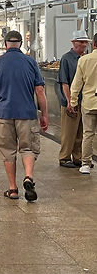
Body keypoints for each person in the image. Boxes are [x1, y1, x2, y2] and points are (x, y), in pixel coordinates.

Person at [0, 30, 48, 202]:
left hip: (3, 113)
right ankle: (28, 177)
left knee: (7, 151)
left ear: (5, 44)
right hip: (27, 113)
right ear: (20, 44)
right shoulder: (30, 62)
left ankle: (13, 188)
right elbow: (40, 91)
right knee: (28, 148)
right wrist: (44, 114)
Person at [57, 31, 89, 168]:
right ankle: (64, 157)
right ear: (73, 42)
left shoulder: (86, 59)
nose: (83, 44)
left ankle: (78, 157)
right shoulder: (66, 59)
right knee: (69, 132)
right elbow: (64, 82)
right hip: (70, 101)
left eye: (85, 42)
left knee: (80, 132)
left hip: (84, 100)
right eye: (80, 41)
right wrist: (70, 101)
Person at [69, 33, 97, 175]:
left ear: (93, 44)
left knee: (88, 134)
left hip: (89, 102)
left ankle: (86, 164)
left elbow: (77, 84)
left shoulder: (84, 60)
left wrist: (73, 101)